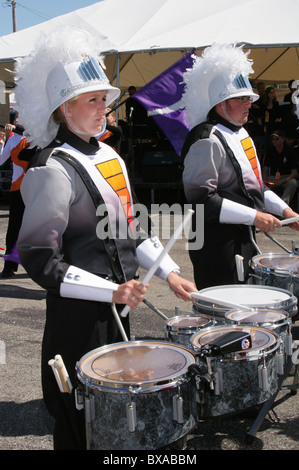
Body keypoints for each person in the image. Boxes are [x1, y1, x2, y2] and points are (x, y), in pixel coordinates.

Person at [14, 27, 196, 450]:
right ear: (65, 107)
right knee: (79, 425)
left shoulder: (111, 154)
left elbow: (130, 230)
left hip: (118, 309)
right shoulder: (51, 167)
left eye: (104, 99)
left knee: (116, 424)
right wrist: (111, 290)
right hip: (78, 321)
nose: (104, 108)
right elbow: (39, 258)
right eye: (92, 100)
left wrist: (169, 273)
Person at [181, 43, 299, 290]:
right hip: (214, 244)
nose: (249, 103)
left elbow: (255, 187)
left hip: (242, 236)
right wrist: (255, 216)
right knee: (226, 313)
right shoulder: (206, 138)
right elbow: (201, 201)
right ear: (221, 103)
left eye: (249, 98)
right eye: (242, 98)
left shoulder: (242, 133)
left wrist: (286, 211)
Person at [0, 121, 26, 277]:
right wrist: (2, 143)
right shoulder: (13, 139)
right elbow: (1, 162)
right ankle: (10, 265)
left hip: (40, 190)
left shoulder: (40, 136)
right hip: (18, 189)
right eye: (16, 118)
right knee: (14, 228)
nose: (16, 121)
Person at [263, 129, 298, 205]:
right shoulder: (270, 150)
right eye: (273, 139)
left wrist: (284, 180)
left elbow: (294, 172)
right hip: (273, 178)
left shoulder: (290, 151)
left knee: (292, 183)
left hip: (285, 177)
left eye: (277, 139)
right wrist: (264, 180)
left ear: (283, 139)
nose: (274, 141)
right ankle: (264, 207)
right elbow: (266, 169)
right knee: (260, 185)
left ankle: (283, 206)